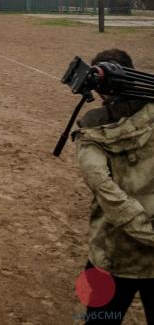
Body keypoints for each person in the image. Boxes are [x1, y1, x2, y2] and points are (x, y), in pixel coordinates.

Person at [74, 49, 154, 324]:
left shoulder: (91, 132)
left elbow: (105, 190)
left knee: (98, 320)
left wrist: (144, 231)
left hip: (109, 255)